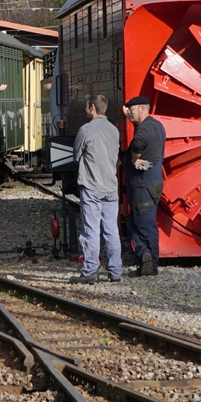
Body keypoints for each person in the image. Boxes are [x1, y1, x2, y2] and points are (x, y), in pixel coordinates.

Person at [70, 95, 123, 284]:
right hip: (110, 186)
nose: (86, 110)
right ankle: (115, 271)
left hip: (92, 186)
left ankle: (90, 271)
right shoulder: (114, 130)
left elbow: (76, 155)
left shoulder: (86, 130)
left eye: (86, 108)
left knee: (91, 230)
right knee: (111, 230)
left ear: (92, 107)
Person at [122, 96, 166, 276]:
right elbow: (142, 133)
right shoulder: (156, 126)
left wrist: (134, 160)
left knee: (143, 224)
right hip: (153, 181)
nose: (130, 115)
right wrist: (130, 119)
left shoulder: (145, 128)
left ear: (142, 109)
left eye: (132, 111)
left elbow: (139, 141)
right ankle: (146, 258)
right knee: (136, 222)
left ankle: (149, 259)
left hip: (142, 184)